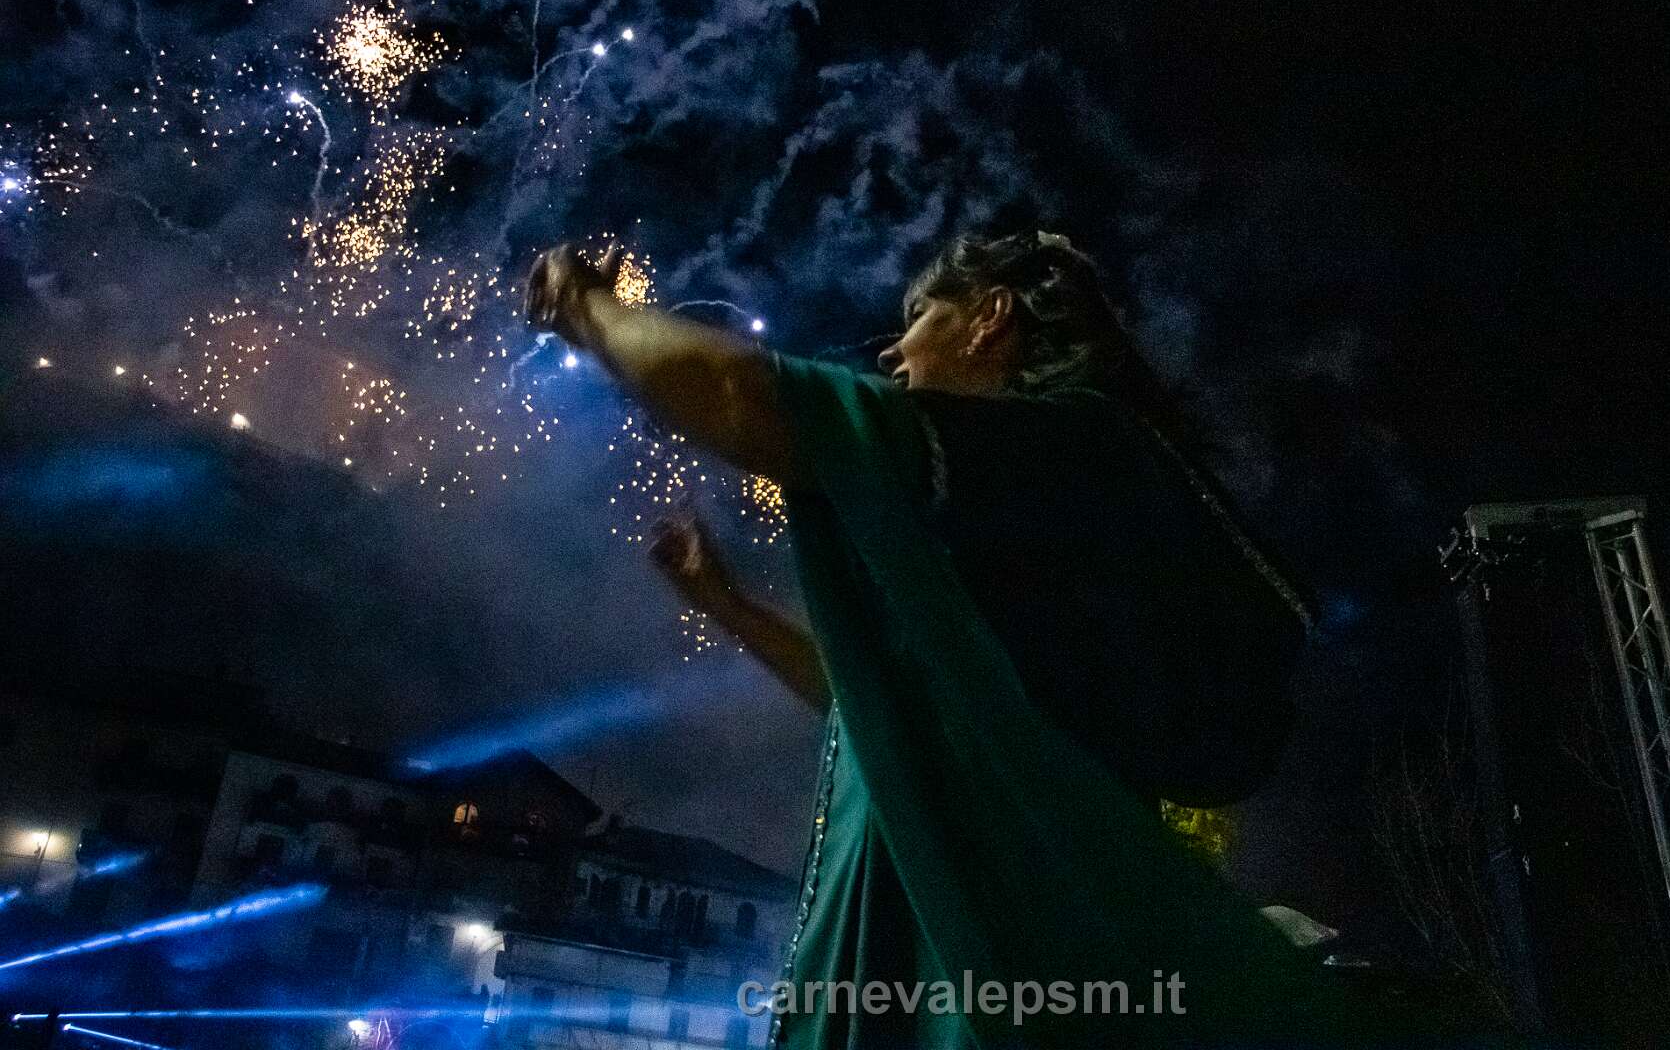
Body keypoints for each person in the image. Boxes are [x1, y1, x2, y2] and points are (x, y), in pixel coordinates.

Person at [524, 230, 1439, 1049]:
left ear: (990, 320)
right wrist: (728, 606)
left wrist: (588, 308)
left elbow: (747, 397)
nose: (894, 352)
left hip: (984, 958)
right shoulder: (1016, 533)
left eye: (919, 319)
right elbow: (877, 706)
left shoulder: (1067, 459)